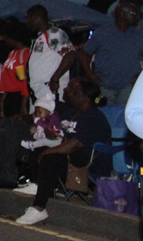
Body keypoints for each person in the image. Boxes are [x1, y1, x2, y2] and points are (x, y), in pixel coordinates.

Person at [14, 78, 112, 225]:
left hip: (88, 162)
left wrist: (50, 151)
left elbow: (77, 143)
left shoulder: (94, 117)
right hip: (71, 156)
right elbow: (58, 133)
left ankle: (39, 208)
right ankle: (38, 184)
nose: (69, 93)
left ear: (84, 97)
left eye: (74, 92)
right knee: (38, 149)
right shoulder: (72, 113)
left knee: (50, 157)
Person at [77, 1, 143, 105]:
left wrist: (139, 76)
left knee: (125, 117)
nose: (137, 17)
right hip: (104, 85)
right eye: (133, 14)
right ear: (122, 14)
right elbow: (83, 54)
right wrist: (90, 75)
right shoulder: (103, 33)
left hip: (128, 86)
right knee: (104, 114)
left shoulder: (139, 35)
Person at [26, 5, 76, 102]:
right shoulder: (39, 37)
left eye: (28, 18)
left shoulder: (54, 33)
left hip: (51, 92)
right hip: (40, 93)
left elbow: (71, 55)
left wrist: (54, 79)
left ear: (35, 17)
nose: (27, 22)